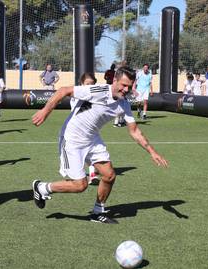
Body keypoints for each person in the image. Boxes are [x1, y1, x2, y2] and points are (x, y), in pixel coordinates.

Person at [31, 66, 168, 224]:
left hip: (92, 139)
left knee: (109, 175)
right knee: (80, 185)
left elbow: (135, 131)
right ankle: (42, 188)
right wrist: (45, 111)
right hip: (72, 139)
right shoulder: (98, 90)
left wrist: (152, 151)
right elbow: (63, 91)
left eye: (129, 87)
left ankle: (97, 212)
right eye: (123, 85)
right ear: (114, 80)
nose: (125, 90)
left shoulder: (124, 104)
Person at [70, 72, 100, 185]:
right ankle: (79, 175)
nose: (90, 87)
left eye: (92, 84)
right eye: (87, 84)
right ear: (81, 84)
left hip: (90, 129)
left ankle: (92, 175)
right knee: (80, 154)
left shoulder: (94, 95)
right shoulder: (77, 93)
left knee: (91, 152)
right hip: (76, 130)